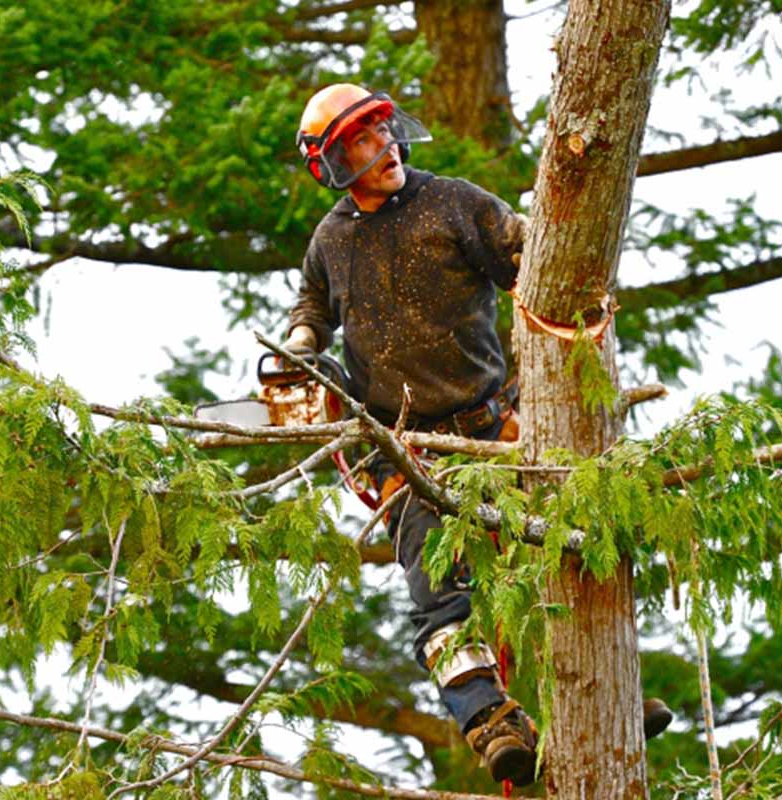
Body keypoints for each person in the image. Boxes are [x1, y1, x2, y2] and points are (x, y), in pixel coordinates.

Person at [283, 84, 670, 787]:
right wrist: (303, 342)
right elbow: (312, 302)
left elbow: (533, 259)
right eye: (363, 141)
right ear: (334, 164)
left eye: (383, 131)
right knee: (440, 594)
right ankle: (490, 721)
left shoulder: (452, 202)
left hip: (496, 425)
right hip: (407, 452)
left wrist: (565, 276)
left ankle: (603, 696)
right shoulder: (332, 241)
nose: (384, 148)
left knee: (572, 549)